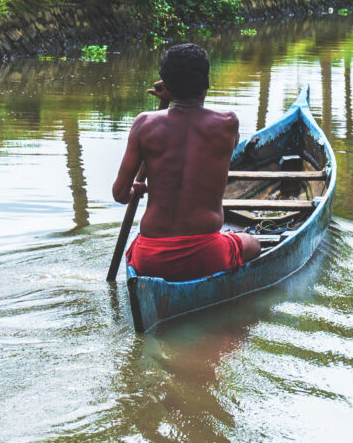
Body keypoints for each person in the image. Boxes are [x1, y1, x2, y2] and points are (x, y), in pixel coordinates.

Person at [112, 43, 271, 280]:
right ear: (207, 82)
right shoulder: (227, 123)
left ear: (167, 83)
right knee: (253, 244)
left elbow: (120, 194)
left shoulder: (143, 124)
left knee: (141, 252)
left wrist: (133, 191)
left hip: (149, 256)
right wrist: (178, 92)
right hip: (206, 255)